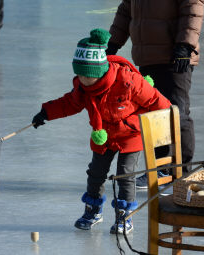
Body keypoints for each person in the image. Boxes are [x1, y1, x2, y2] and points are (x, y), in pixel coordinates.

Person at [32, 28, 171, 234]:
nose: (84, 80)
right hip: (103, 134)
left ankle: (125, 217)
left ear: (100, 71)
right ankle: (93, 210)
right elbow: (69, 103)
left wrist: (166, 124)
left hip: (130, 134)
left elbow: (155, 100)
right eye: (79, 75)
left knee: (126, 175)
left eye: (88, 77)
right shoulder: (82, 87)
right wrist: (46, 113)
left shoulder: (127, 80)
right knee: (95, 173)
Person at [105, 0, 204, 188]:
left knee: (177, 113)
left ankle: (181, 173)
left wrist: (185, 45)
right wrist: (112, 42)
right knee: (154, 115)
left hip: (176, 57)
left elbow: (193, 9)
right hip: (148, 58)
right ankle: (161, 169)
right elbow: (126, 11)